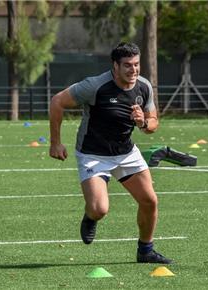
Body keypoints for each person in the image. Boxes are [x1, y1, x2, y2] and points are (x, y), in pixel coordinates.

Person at [49, 42, 173, 264]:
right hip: (93, 154)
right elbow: (57, 101)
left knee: (150, 201)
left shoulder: (143, 87)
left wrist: (143, 122)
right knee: (99, 209)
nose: (133, 70)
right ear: (115, 66)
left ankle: (145, 250)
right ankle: (90, 216)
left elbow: (153, 123)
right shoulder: (95, 86)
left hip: (126, 153)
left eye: (136, 65)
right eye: (127, 65)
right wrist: (56, 143)